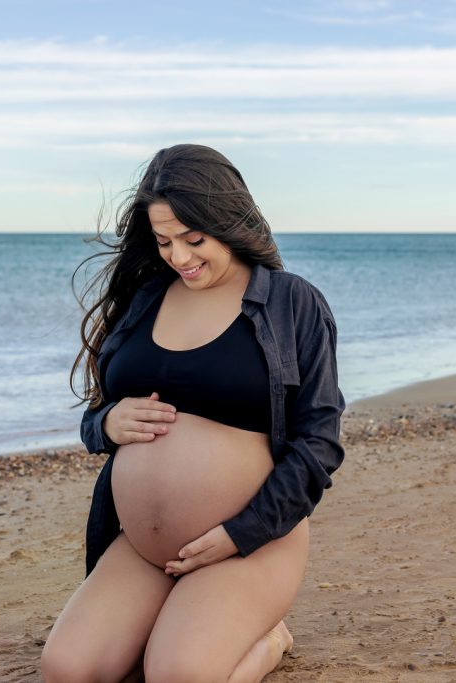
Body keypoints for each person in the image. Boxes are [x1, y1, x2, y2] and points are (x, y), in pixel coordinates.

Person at [42, 143, 346, 683]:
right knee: (68, 670)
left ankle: (269, 639)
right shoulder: (147, 299)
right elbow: (97, 415)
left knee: (178, 676)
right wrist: (106, 424)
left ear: (227, 220)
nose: (179, 257)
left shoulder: (292, 303)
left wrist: (240, 532)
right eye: (163, 241)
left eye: (193, 239)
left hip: (247, 545)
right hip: (140, 547)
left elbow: (318, 441)